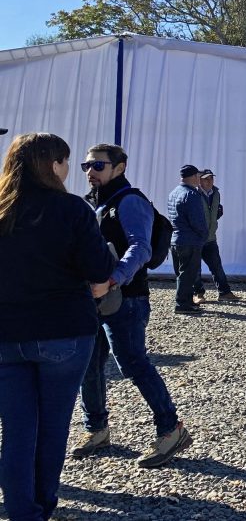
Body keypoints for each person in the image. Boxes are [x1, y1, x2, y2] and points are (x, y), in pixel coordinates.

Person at [0, 133, 116, 521]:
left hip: (5, 334)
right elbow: (100, 270)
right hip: (63, 332)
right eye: (67, 161)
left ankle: (21, 513)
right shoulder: (72, 210)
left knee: (17, 432)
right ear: (52, 164)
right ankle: (42, 507)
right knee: (52, 429)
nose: (73, 170)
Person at [74, 143, 193, 468]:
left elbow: (140, 247)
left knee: (133, 364)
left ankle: (171, 430)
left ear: (120, 167)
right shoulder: (94, 203)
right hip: (96, 299)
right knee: (89, 365)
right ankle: (96, 429)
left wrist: (112, 280)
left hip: (127, 299)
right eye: (86, 166)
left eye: (98, 166)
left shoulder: (129, 201)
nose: (90, 172)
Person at [193, 169, 239, 303]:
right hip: (196, 238)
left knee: (217, 266)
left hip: (210, 237)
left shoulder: (216, 193)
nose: (210, 181)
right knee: (195, 268)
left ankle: (224, 292)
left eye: (211, 178)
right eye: (206, 179)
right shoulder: (193, 194)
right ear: (199, 180)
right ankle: (198, 294)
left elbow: (213, 213)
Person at [168, 164, 208, 314]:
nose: (199, 179)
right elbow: (197, 220)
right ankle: (182, 304)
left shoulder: (174, 193)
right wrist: (203, 235)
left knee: (181, 273)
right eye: (198, 176)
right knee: (188, 273)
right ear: (192, 177)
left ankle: (186, 300)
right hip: (189, 240)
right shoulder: (191, 195)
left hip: (176, 239)